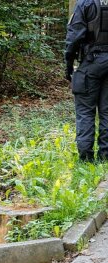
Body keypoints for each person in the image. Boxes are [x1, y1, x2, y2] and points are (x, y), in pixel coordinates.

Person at [65, 0, 108, 161]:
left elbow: (74, 35)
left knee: (85, 111)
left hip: (91, 62)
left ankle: (85, 159)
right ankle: (105, 157)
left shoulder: (86, 3)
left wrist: (68, 64)